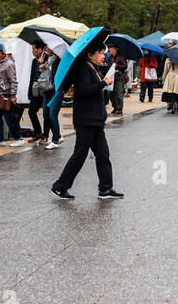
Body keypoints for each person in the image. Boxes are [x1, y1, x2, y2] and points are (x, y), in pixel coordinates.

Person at [51, 36, 122, 200]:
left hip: (95, 119)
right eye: (100, 53)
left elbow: (94, 88)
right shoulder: (84, 68)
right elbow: (84, 90)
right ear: (90, 55)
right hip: (86, 119)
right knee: (80, 155)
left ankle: (105, 188)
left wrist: (103, 81)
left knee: (103, 154)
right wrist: (103, 83)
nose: (103, 56)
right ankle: (60, 186)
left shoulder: (93, 67)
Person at [0, 50, 25, 147]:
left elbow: (13, 81)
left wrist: (13, 95)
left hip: (6, 94)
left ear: (1, 53)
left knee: (10, 118)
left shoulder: (8, 64)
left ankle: (19, 138)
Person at [26, 41, 47, 138]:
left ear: (40, 50)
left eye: (33, 49)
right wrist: (29, 90)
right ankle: (38, 132)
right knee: (31, 111)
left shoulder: (47, 59)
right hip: (35, 90)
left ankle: (46, 135)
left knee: (47, 114)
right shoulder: (35, 61)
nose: (32, 51)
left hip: (46, 90)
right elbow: (31, 77)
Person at [110, 46, 128, 115]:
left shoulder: (121, 57)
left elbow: (125, 66)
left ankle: (119, 108)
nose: (109, 50)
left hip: (119, 77)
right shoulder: (110, 57)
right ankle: (115, 106)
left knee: (119, 93)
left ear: (115, 50)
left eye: (111, 49)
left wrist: (116, 66)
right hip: (111, 77)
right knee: (110, 94)